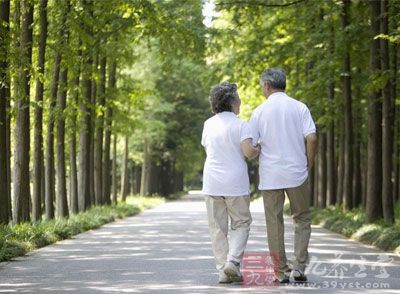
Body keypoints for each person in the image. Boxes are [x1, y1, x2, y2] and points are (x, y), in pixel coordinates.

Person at [249, 68, 318, 283]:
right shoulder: (300, 107)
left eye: (262, 86)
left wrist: (259, 149)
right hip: (297, 172)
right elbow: (312, 138)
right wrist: (309, 164)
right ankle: (299, 267)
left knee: (274, 222)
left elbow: (252, 146)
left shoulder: (259, 112)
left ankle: (281, 272)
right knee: (302, 219)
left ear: (267, 86)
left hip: (271, 175)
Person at [201, 82, 260, 283]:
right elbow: (248, 152)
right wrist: (258, 148)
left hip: (212, 183)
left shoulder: (208, 124)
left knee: (217, 227)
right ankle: (233, 262)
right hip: (235, 183)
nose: (240, 101)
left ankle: (222, 271)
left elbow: (208, 149)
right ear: (233, 102)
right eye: (238, 98)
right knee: (241, 223)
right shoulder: (241, 124)